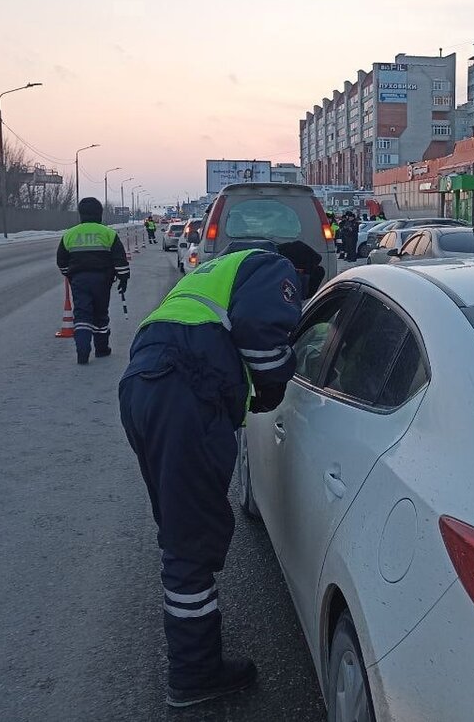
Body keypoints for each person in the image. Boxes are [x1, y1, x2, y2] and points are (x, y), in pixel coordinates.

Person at [119, 240, 325, 709]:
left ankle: (192, 649)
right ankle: (194, 673)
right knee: (191, 539)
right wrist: (272, 389)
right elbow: (261, 337)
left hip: (145, 383)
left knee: (181, 527)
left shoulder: (222, 271)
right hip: (185, 390)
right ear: (298, 273)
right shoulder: (274, 267)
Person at [57, 197, 130, 364]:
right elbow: (120, 260)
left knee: (82, 314)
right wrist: (123, 279)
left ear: (80, 214)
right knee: (100, 315)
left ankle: (82, 352)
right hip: (102, 281)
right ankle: (101, 349)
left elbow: (61, 260)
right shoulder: (108, 233)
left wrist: (70, 275)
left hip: (79, 281)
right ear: (100, 214)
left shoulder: (70, 234)